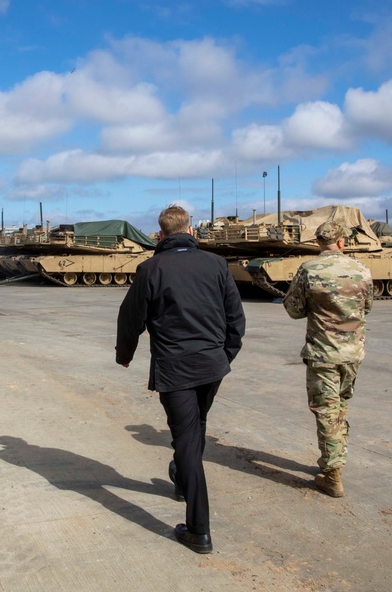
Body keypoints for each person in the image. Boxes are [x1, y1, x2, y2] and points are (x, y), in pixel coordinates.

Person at [115, 205, 246, 554]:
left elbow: (130, 318)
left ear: (160, 235)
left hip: (176, 368)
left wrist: (124, 355)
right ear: (190, 231)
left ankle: (199, 530)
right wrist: (224, 356)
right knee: (195, 428)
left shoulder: (151, 268)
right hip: (211, 365)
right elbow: (236, 318)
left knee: (187, 439)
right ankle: (184, 481)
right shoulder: (217, 264)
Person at [283, 220, 373, 498]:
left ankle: (333, 472)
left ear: (319, 242)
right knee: (340, 407)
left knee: (326, 410)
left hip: (323, 352)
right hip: (352, 352)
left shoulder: (309, 270)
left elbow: (294, 309)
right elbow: (367, 306)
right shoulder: (361, 269)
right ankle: (334, 458)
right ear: (343, 242)